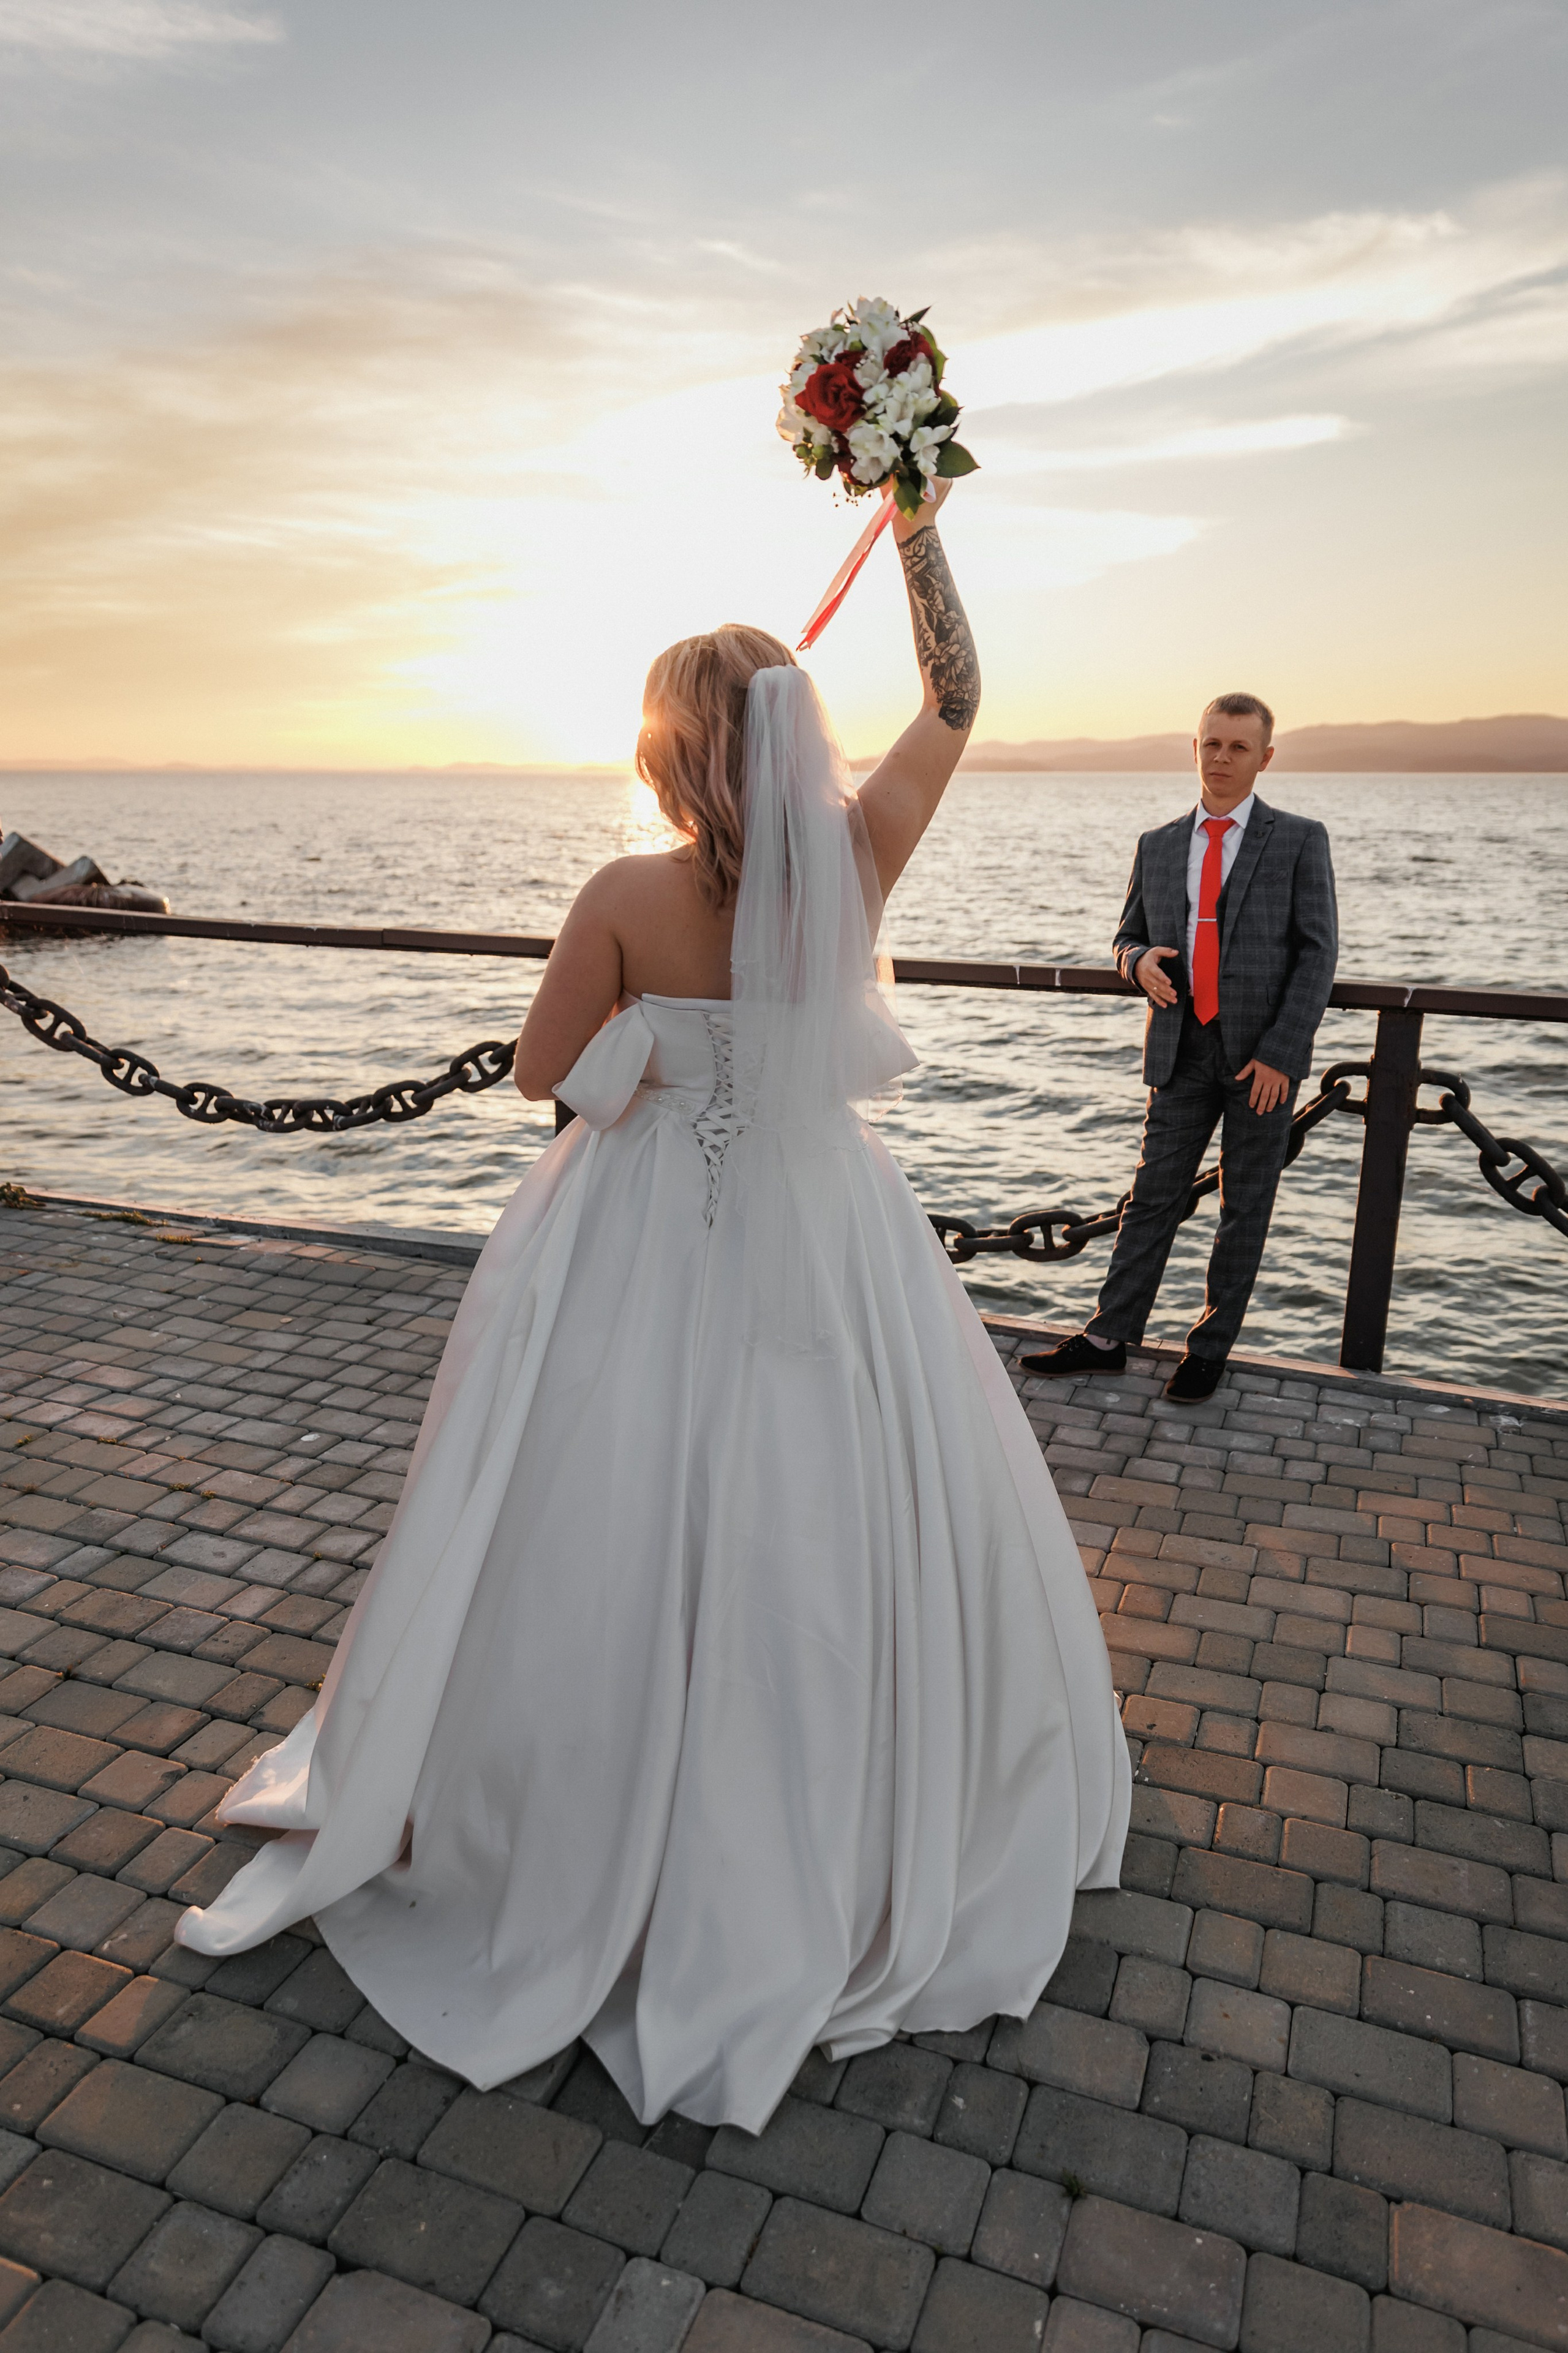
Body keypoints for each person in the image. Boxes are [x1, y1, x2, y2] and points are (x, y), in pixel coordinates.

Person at [176, 481, 1129, 2135]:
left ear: (673, 750)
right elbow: (961, 699)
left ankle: (571, 1816)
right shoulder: (858, 857)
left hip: (632, 1235)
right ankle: (839, 1819)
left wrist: (654, 1071)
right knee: (830, 1507)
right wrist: (913, 517)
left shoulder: (626, 893)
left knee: (591, 1507)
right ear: (790, 733)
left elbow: (549, 1072)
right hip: (831, 1233)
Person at [1023, 695, 1337, 1403]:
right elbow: (1124, 936)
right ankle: (1107, 1337)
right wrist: (1134, 962)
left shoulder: (1298, 839)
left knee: (1243, 1206)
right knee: (1150, 1197)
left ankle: (1208, 1349)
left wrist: (1284, 1055)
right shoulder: (1158, 844)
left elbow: (1318, 955)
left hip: (1260, 1060)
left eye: (1238, 747)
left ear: (1265, 757)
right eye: (1212, 744)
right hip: (1179, 1050)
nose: (1222, 759)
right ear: (1192, 747)